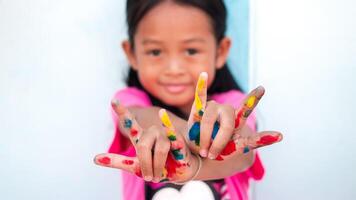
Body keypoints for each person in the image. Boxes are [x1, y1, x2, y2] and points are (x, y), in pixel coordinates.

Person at [94, 1, 283, 199]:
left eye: (191, 51)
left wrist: (196, 168)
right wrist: (187, 132)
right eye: (155, 52)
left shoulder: (232, 106)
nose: (174, 69)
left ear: (221, 51)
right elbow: (141, 118)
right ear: (131, 53)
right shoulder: (129, 103)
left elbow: (242, 156)